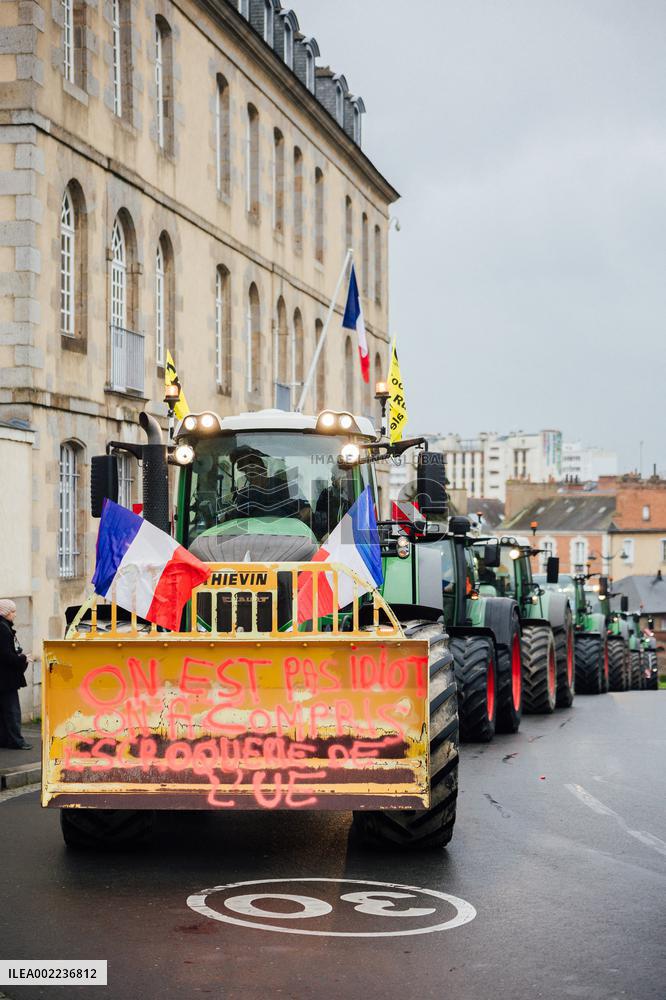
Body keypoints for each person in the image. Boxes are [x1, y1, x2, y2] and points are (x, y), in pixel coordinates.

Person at [0, 599, 32, 750]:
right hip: (6, 680)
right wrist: (23, 658)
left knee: (4, 712)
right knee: (12, 712)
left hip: (4, 679)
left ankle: (6, 740)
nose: (15, 615)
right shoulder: (3, 629)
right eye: (12, 612)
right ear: (5, 613)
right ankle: (16, 741)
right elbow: (6, 655)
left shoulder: (4, 627)